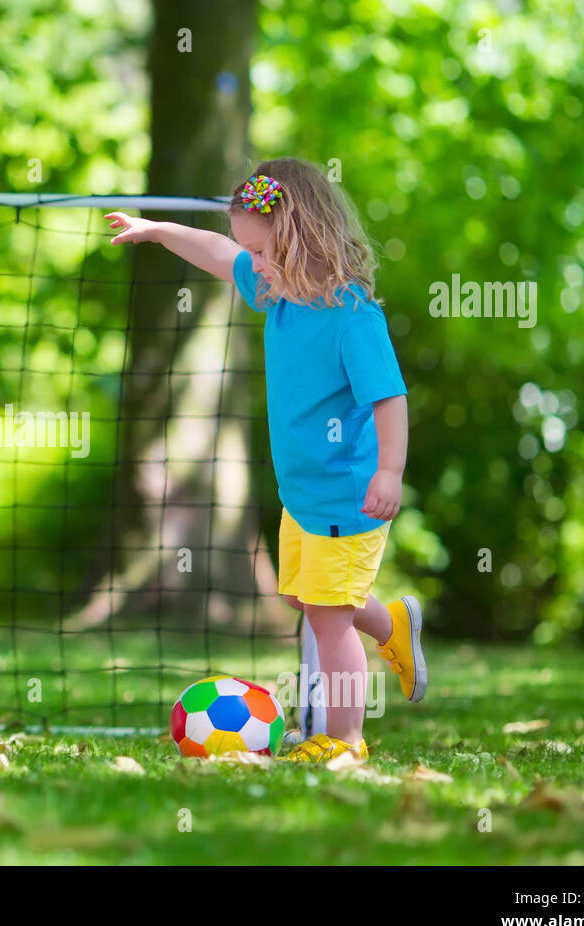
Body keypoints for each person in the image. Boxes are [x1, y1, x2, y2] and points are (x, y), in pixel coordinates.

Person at [106, 158, 427, 762]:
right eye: (248, 252)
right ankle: (392, 628)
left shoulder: (352, 317)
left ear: (305, 239)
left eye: (263, 251)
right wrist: (154, 229)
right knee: (310, 600)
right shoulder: (275, 289)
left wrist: (389, 471)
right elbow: (214, 251)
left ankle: (345, 740)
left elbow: (390, 398)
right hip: (301, 496)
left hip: (347, 495)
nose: (251, 264)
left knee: (328, 622)